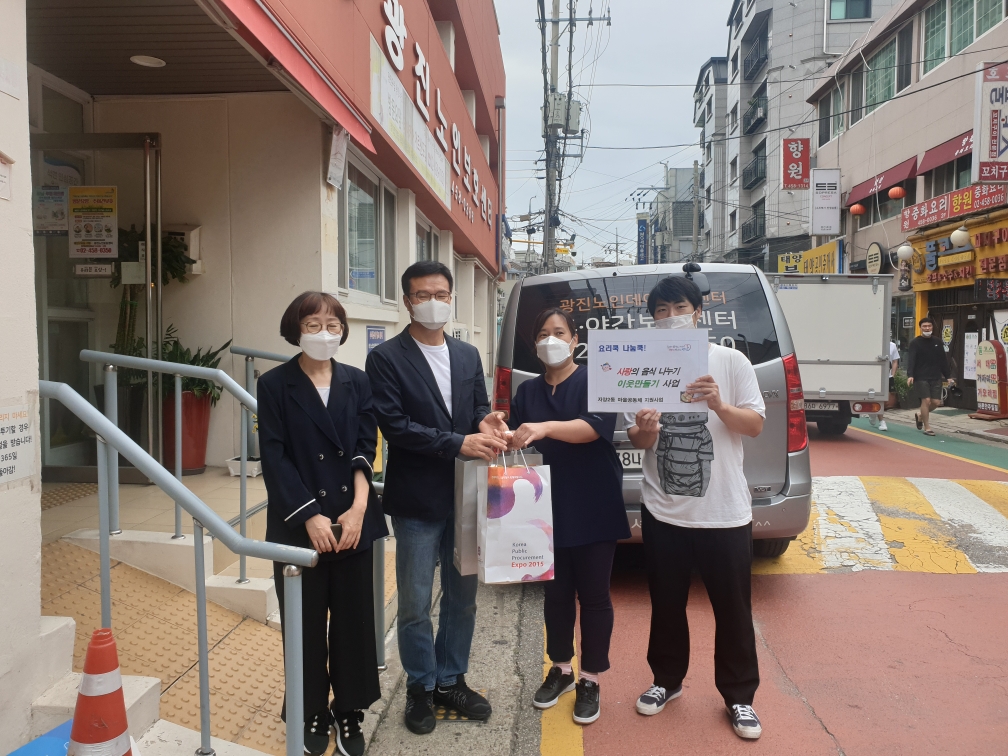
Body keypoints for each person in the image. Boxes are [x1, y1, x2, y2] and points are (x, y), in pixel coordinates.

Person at [365, 260, 509, 735]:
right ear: (407, 301)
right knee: (414, 602)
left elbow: (478, 408)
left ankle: (451, 680)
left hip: (466, 494)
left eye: (442, 294)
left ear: (451, 298)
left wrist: (487, 422)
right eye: (423, 295)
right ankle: (420, 686)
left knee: (463, 598)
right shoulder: (386, 358)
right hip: (416, 501)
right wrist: (459, 442)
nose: (434, 302)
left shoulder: (466, 355)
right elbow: (396, 427)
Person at [625, 275, 766, 741]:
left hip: (724, 512)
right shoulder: (642, 364)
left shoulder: (730, 361)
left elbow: (754, 425)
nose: (671, 318)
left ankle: (740, 696)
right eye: (661, 311)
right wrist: (646, 429)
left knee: (733, 609)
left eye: (679, 308)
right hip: (663, 511)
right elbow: (638, 439)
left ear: (698, 313)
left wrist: (719, 404)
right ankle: (666, 680)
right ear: (653, 319)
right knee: (666, 604)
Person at [258, 291, 388, 756]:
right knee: (304, 624)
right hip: (299, 525)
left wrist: (358, 508)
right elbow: (273, 456)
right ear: (295, 329)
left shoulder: (357, 380)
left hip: (352, 521)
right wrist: (309, 514)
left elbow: (365, 445)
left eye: (333, 325)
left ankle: (349, 709)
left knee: (354, 623)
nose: (324, 333)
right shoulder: (274, 384)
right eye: (312, 325)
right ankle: (310, 708)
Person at [508, 308, 629, 726]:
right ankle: (560, 669)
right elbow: (516, 438)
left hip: (594, 502)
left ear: (575, 340)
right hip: (543, 508)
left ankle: (590, 679)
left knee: (594, 595)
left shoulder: (597, 380)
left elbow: (592, 428)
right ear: (535, 345)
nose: (551, 340)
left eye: (559, 332)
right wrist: (498, 431)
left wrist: (543, 427)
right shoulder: (527, 391)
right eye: (543, 333)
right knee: (556, 595)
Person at [905, 317, 952, 437]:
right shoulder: (915, 343)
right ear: (920, 328)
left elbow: (943, 360)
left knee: (936, 402)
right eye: (924, 326)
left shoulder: (938, 342)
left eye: (929, 326)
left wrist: (948, 376)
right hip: (920, 377)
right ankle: (927, 427)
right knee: (926, 400)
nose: (927, 328)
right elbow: (911, 360)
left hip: (935, 376)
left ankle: (920, 415)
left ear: (932, 327)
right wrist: (910, 375)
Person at [878, 340, 900, 432]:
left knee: (887, 400)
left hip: (888, 376)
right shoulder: (875, 343)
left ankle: (875, 413)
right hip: (876, 375)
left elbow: (895, 361)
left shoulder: (892, 345)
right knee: (879, 399)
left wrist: (892, 375)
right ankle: (881, 421)